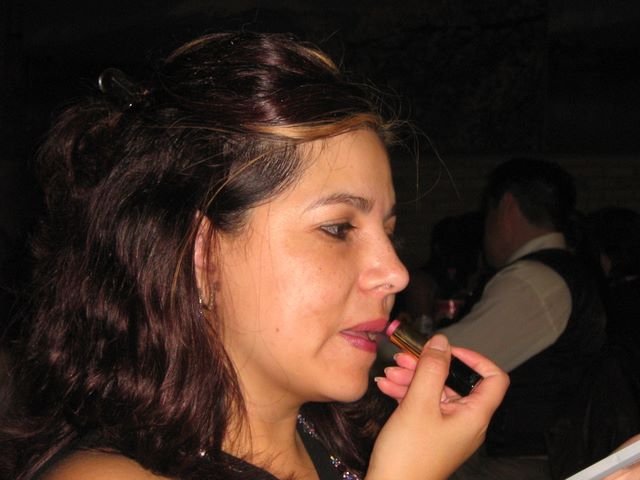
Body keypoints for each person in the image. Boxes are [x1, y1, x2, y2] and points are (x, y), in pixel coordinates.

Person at [0, 32, 509, 480]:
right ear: (201, 255)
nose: (395, 274)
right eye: (337, 229)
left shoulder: (353, 444)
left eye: (389, 234)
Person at [441, 158, 608, 479]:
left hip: (522, 463)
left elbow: (445, 360)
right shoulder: (568, 269)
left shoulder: (532, 281)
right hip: (552, 454)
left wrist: (382, 341)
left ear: (506, 206)